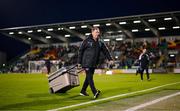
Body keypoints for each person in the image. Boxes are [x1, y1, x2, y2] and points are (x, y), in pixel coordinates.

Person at [78, 27, 113, 99]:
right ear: (92, 32)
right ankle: (94, 92)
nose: (98, 33)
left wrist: (110, 59)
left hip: (94, 63)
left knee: (88, 78)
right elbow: (80, 51)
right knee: (90, 77)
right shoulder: (86, 41)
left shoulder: (100, 42)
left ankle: (83, 91)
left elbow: (105, 51)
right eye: (96, 32)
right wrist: (79, 62)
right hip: (86, 62)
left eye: (98, 32)